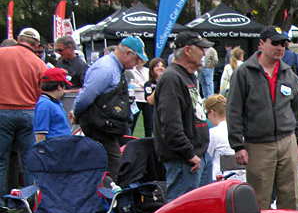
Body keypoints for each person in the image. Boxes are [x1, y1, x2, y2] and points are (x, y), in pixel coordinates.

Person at [227, 25, 298, 210]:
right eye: (276, 43)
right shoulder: (244, 72)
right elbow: (234, 110)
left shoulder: (289, 73)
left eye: (284, 44)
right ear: (261, 44)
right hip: (258, 144)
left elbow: (297, 109)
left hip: (287, 140)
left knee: (290, 196)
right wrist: (238, 145)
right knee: (259, 197)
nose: (280, 48)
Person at [71, 36, 146, 178]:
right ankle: (112, 196)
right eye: (137, 59)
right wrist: (76, 113)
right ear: (127, 53)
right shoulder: (106, 69)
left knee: (106, 165)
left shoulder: (114, 67)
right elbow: (86, 96)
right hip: (100, 127)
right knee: (113, 167)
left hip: (106, 126)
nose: (137, 63)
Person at [153, 30, 213, 202]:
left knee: (199, 212)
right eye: (201, 48)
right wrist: (188, 154)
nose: (204, 53)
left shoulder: (188, 77)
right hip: (184, 160)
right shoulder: (172, 78)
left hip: (197, 156)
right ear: (187, 50)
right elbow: (170, 125)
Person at [0, 27, 49, 191]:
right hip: (29, 112)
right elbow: (43, 92)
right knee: (30, 159)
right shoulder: (39, 64)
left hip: (2, 111)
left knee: (1, 160)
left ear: (19, 38)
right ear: (36, 45)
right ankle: (29, 201)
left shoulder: (2, 54)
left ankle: (1, 204)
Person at [34, 68, 73, 142]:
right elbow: (40, 134)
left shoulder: (53, 102)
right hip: (52, 150)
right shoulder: (45, 105)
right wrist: (42, 152)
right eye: (64, 87)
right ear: (59, 87)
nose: (64, 91)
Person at [204, 94, 235, 180]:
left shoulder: (213, 133)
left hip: (219, 179)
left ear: (212, 112)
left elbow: (207, 157)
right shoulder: (237, 131)